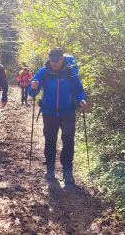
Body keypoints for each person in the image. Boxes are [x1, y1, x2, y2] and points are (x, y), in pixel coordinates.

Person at [28, 47, 88, 185]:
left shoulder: (70, 71)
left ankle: (67, 170)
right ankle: (50, 169)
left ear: (62, 59)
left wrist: (81, 100)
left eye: (57, 60)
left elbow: (79, 90)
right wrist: (34, 86)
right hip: (49, 112)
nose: (54, 63)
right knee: (50, 140)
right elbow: (31, 92)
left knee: (68, 140)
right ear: (49, 59)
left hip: (67, 111)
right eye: (52, 60)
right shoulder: (43, 72)